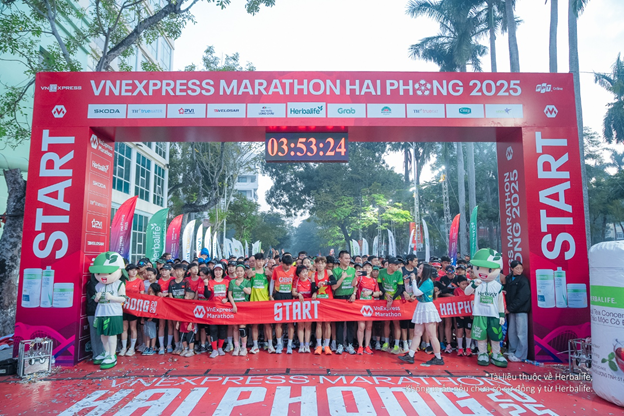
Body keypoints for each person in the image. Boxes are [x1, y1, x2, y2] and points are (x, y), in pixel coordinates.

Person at [399, 264, 444, 366]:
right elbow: (410, 290)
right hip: (421, 306)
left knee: (432, 335)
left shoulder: (428, 282)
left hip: (427, 308)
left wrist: (414, 280)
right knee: (417, 333)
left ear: (425, 271)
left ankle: (438, 357)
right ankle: (411, 355)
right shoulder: (421, 281)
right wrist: (407, 283)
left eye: (420, 268)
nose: (418, 270)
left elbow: (417, 292)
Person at [502, 260, 531, 362]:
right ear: (512, 269)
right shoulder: (508, 278)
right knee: (512, 332)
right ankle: (512, 351)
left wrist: (510, 308)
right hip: (511, 310)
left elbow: (522, 297)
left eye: (520, 268)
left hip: (520, 310)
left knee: (521, 333)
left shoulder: (523, 281)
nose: (519, 270)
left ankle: (520, 355)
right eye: (517, 268)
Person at [331, 250, 357, 355]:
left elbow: (355, 285)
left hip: (350, 298)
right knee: (340, 323)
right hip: (339, 298)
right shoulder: (335, 271)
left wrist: (354, 294)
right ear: (340, 259)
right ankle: (340, 344)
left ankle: (350, 344)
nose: (348, 260)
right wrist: (342, 277)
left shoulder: (353, 270)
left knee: (351, 323)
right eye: (346, 258)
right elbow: (334, 287)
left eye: (349, 258)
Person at [270, 254, 296, 354]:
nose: (288, 267)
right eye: (286, 265)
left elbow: (296, 282)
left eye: (290, 265)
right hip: (279, 295)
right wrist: (271, 295)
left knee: (290, 322)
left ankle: (289, 344)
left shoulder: (294, 269)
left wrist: (295, 294)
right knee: (279, 321)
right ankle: (279, 344)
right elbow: (272, 282)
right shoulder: (276, 270)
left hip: (289, 295)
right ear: (282, 263)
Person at [378, 258, 405, 354]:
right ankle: (386, 343)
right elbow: (380, 285)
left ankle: (396, 345)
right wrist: (385, 294)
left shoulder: (398, 274)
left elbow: (400, 288)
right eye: (396, 265)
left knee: (396, 322)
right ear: (390, 265)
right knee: (386, 322)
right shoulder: (382, 272)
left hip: (395, 300)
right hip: (384, 299)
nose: (398, 266)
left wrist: (392, 298)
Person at [354, 262, 381, 355]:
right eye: (365, 267)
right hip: (360, 305)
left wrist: (371, 293)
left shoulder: (374, 280)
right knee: (361, 327)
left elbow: (378, 293)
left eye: (369, 267)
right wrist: (355, 277)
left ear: (371, 269)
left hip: (370, 305)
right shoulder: (360, 278)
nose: (367, 268)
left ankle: (367, 346)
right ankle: (360, 346)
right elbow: (354, 285)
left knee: (369, 327)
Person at [249, 253, 272, 354]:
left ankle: (270, 345)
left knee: (267, 324)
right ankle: (255, 346)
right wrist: (248, 277)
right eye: (258, 261)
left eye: (261, 261)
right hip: (253, 302)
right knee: (255, 325)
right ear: (255, 261)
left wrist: (270, 276)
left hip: (265, 302)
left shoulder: (267, 273)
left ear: (264, 262)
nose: (260, 263)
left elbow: (272, 285)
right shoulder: (251, 272)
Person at [312, 256, 335, 355]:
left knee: (327, 324)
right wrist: (317, 287)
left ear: (325, 264)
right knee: (319, 323)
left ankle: (327, 345)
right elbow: (313, 288)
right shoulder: (314, 275)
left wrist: (326, 282)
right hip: (318, 301)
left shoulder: (328, 272)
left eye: (322, 263)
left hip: (328, 300)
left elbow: (334, 282)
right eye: (318, 263)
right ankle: (319, 345)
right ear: (316, 265)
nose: (320, 265)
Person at [119, 264, 143, 357]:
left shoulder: (140, 281)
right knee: (124, 328)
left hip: (134, 308)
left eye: (135, 270)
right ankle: (124, 347)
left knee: (133, 328)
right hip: (123, 308)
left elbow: (142, 296)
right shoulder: (123, 281)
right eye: (132, 270)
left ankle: (132, 348)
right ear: (127, 271)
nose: (134, 272)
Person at [205, 264, 228, 358]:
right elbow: (207, 295)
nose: (218, 272)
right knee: (213, 329)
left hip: (223, 310)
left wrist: (227, 299)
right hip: (213, 310)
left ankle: (220, 348)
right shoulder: (210, 282)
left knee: (222, 329)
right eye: (216, 270)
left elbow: (230, 294)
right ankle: (214, 350)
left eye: (219, 270)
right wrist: (205, 285)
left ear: (223, 271)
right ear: (213, 272)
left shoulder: (227, 282)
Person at [228, 264, 252, 356]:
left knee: (242, 328)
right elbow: (230, 294)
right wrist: (233, 305)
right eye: (238, 271)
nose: (239, 272)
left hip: (244, 307)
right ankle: (236, 347)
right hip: (235, 306)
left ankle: (244, 347)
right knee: (235, 327)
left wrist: (240, 285)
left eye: (241, 271)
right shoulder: (232, 282)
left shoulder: (247, 282)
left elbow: (248, 292)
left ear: (244, 272)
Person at [293, 265, 314, 353]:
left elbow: (314, 291)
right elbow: (293, 292)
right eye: (303, 272)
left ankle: (307, 345)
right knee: (300, 325)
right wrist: (298, 294)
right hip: (299, 306)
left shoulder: (310, 280)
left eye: (306, 271)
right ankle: (301, 345)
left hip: (309, 306)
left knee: (308, 326)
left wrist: (314, 294)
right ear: (299, 274)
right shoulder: (296, 281)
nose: (305, 273)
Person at [156, 266, 175, 354]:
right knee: (161, 324)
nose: (164, 272)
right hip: (161, 305)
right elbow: (155, 291)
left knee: (170, 324)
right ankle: (161, 346)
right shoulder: (158, 281)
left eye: (166, 270)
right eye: (162, 270)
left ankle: (169, 345)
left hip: (171, 305)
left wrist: (168, 294)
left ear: (170, 271)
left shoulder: (173, 279)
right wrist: (158, 293)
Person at [453, 276, 473, 356]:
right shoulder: (456, 291)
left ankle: (468, 348)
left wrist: (472, 313)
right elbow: (455, 302)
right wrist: (459, 314)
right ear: (458, 284)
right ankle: (460, 348)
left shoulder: (470, 290)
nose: (465, 286)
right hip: (460, 314)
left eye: (466, 284)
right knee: (460, 330)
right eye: (463, 284)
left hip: (468, 314)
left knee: (468, 331)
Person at [177, 288, 198, 357]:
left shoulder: (192, 305)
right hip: (183, 324)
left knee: (190, 338)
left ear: (190, 297)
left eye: (186, 296)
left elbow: (193, 315)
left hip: (189, 325)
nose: (184, 297)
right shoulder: (183, 304)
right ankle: (185, 349)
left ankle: (191, 350)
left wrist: (191, 324)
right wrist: (178, 322)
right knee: (182, 337)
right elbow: (180, 314)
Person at [142, 283, 161, 355]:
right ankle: (147, 347)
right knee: (147, 333)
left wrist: (152, 317)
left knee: (152, 333)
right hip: (146, 317)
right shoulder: (146, 297)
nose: (148, 289)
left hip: (153, 319)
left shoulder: (156, 298)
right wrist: (143, 318)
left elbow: (157, 309)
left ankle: (152, 347)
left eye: (149, 287)